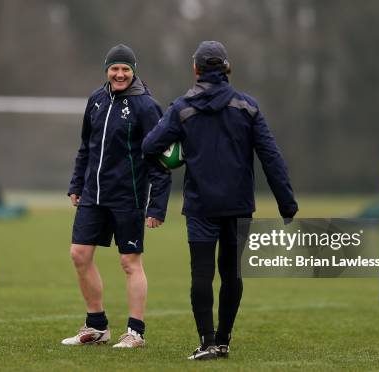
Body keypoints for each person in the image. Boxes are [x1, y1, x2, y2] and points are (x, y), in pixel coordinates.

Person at [142, 41, 298, 360]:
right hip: (239, 205)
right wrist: (287, 203)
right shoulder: (248, 107)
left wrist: (177, 156)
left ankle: (207, 342)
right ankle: (224, 341)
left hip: (201, 206)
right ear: (227, 69)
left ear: (196, 69)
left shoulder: (182, 107)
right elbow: (271, 156)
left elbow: (150, 145)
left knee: (201, 274)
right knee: (232, 274)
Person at [61, 44, 171, 348]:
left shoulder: (146, 106)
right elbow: (86, 146)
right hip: (93, 195)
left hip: (129, 197)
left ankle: (135, 332)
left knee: (129, 262)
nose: (119, 74)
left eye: (125, 69)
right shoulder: (96, 100)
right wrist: (77, 184)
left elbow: (160, 159)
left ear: (133, 70)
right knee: (79, 254)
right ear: (107, 70)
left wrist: (157, 206)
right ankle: (96, 327)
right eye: (114, 68)